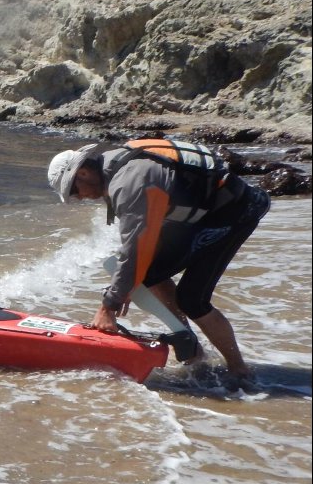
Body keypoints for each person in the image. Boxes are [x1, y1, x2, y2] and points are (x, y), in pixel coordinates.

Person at [47, 138, 270, 389]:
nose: (79, 198)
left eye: (74, 191)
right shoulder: (117, 166)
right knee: (147, 274)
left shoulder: (129, 182)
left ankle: (240, 371)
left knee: (192, 299)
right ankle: (191, 347)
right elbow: (142, 244)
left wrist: (108, 306)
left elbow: (136, 247)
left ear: (84, 172)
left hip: (236, 211)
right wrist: (126, 285)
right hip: (201, 211)